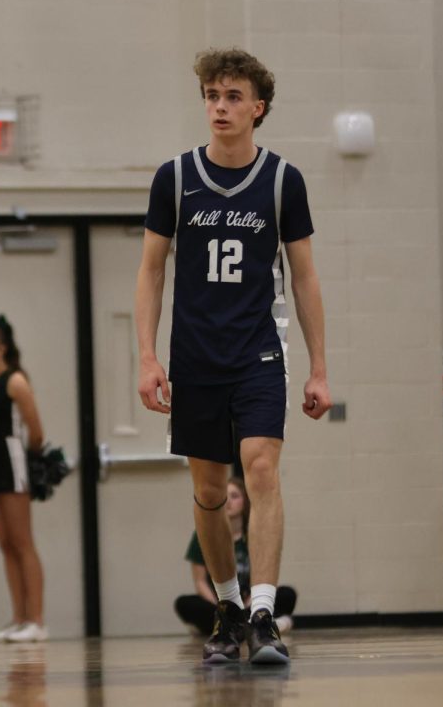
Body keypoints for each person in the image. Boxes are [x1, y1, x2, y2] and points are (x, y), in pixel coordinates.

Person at [136, 47, 331, 665]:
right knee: (211, 489)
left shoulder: (282, 181)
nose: (220, 107)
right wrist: (146, 357)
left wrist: (320, 368)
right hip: (194, 356)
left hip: (257, 353)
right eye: (212, 97)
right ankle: (226, 606)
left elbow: (304, 278)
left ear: (257, 107)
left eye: (232, 97)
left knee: (262, 469)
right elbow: (149, 271)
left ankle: (265, 611)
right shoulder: (174, 177)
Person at [0, 315, 47, 643]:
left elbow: (36, 432)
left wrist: (31, 465)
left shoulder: (16, 381)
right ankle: (18, 618)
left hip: (13, 463)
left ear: (2, 348)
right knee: (5, 545)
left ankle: (37, 620)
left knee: (23, 543)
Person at [173, 478, 297, 635]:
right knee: (184, 603)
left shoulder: (255, 534)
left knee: (287, 594)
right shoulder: (203, 535)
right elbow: (200, 582)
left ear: (245, 500)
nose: (228, 502)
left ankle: (231, 627)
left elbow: (265, 573)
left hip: (250, 603)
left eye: (234, 496)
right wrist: (222, 610)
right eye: (224, 497)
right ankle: (251, 626)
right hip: (219, 603)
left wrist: (251, 603)